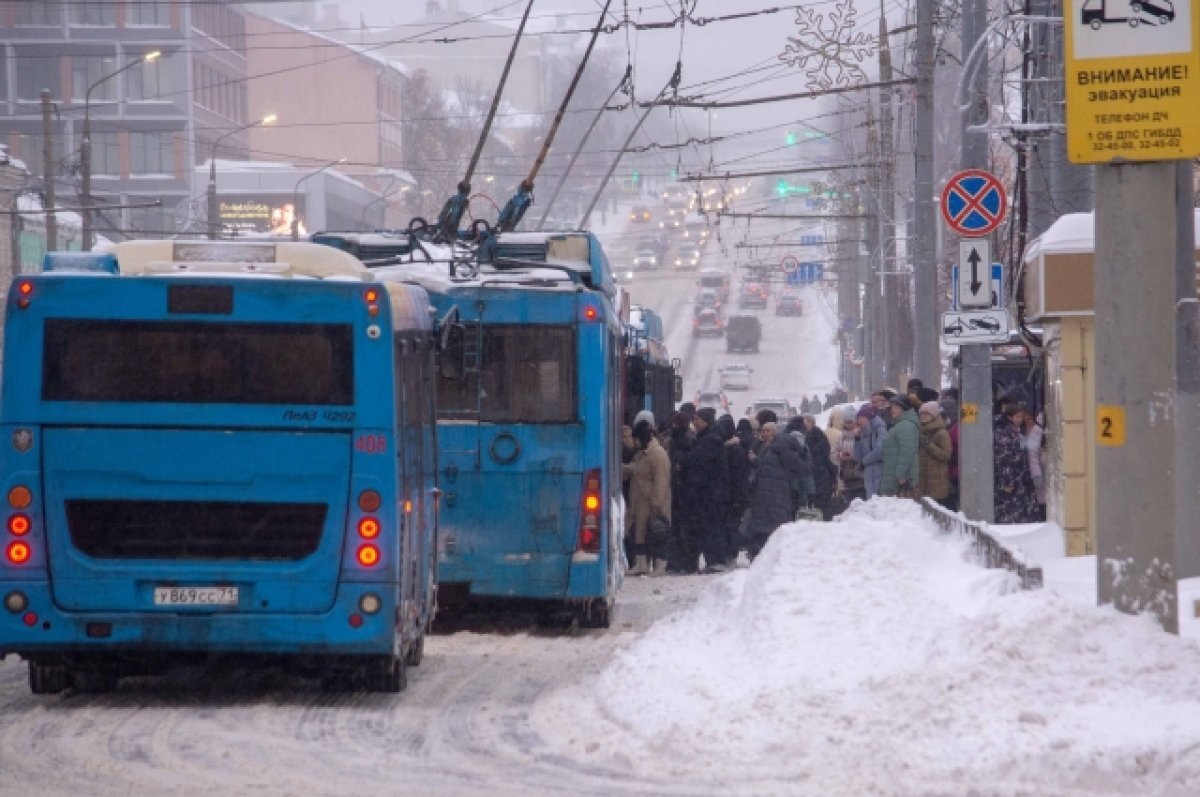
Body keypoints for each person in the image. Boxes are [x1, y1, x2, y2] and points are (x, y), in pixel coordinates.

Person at [744, 421, 807, 558]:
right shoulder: (767, 447)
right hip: (769, 493)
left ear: (775, 432)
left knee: (770, 526)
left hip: (774, 494)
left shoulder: (779, 448)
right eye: (763, 430)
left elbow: (797, 467)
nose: (764, 433)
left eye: (768, 431)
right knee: (767, 525)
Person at [679, 407, 729, 572]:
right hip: (708, 493)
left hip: (710, 494)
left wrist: (683, 460)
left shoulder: (710, 440)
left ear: (705, 421)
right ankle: (712, 560)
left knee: (710, 528)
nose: (694, 423)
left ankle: (715, 560)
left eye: (697, 420)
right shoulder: (706, 438)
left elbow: (697, 462)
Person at [624, 419, 671, 575]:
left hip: (652, 501)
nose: (634, 442)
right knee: (640, 533)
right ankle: (641, 563)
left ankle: (660, 564)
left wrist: (656, 503)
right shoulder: (642, 454)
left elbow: (661, 479)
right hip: (640, 500)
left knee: (657, 532)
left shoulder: (657, 454)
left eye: (635, 439)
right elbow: (638, 470)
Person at [994, 404, 1039, 523]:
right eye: (1017, 417)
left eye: (1021, 417)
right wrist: (1007, 480)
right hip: (1013, 479)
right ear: (1009, 417)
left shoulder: (1018, 432)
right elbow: (1003, 458)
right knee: (1011, 511)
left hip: (1021, 478)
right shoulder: (1004, 434)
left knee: (1019, 510)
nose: (1020, 420)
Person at [718, 414, 751, 567]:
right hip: (731, 495)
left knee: (731, 526)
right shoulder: (729, 448)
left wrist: (738, 498)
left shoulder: (735, 451)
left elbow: (738, 477)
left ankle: (731, 555)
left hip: (734, 496)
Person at [664, 411, 695, 573]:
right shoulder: (683, 439)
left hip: (682, 491)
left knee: (681, 529)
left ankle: (682, 562)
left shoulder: (684, 441)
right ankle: (680, 562)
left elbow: (684, 463)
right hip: (680, 490)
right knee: (678, 528)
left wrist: (679, 464)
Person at [880, 395, 919, 497]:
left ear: (904, 409)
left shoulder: (906, 426)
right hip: (894, 476)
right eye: (892, 407)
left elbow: (907, 452)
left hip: (900, 480)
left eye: (896, 407)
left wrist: (901, 475)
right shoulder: (899, 425)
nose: (892, 410)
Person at [797, 415, 834, 519]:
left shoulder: (818, 435)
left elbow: (824, 450)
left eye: (809, 421)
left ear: (813, 422)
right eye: (805, 421)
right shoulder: (801, 436)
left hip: (820, 473)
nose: (807, 423)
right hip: (810, 473)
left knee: (820, 501)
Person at [916, 401, 953, 507]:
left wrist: (929, 445)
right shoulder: (922, 430)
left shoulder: (941, 433)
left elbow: (946, 455)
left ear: (934, 415)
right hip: (924, 480)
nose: (923, 416)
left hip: (937, 482)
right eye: (921, 414)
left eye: (926, 413)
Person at [1017, 404, 1047, 521]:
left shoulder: (1040, 429)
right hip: (1042, 475)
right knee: (1043, 501)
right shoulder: (1038, 430)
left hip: (1047, 472)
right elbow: (1033, 455)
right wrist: (1037, 475)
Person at [856, 403, 887, 498]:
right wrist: (856, 440)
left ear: (869, 418)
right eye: (858, 418)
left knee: (878, 500)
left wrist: (863, 462)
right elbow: (858, 457)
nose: (859, 421)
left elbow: (879, 451)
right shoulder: (863, 432)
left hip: (880, 469)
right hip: (868, 472)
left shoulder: (880, 430)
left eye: (862, 417)